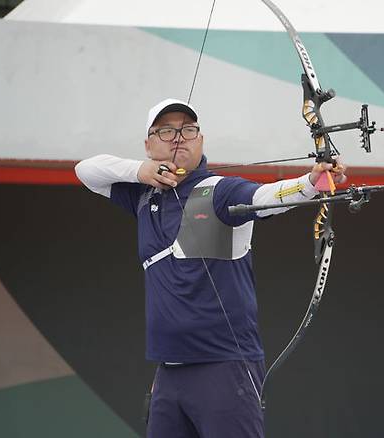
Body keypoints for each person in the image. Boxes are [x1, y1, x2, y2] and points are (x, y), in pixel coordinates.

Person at [74, 98, 346, 438]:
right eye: (166, 131)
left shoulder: (219, 190)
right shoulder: (143, 196)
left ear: (200, 139)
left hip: (224, 367)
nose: (178, 137)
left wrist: (310, 181)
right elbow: (86, 170)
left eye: (188, 130)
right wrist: (141, 171)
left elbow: (266, 197)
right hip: (169, 372)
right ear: (149, 144)